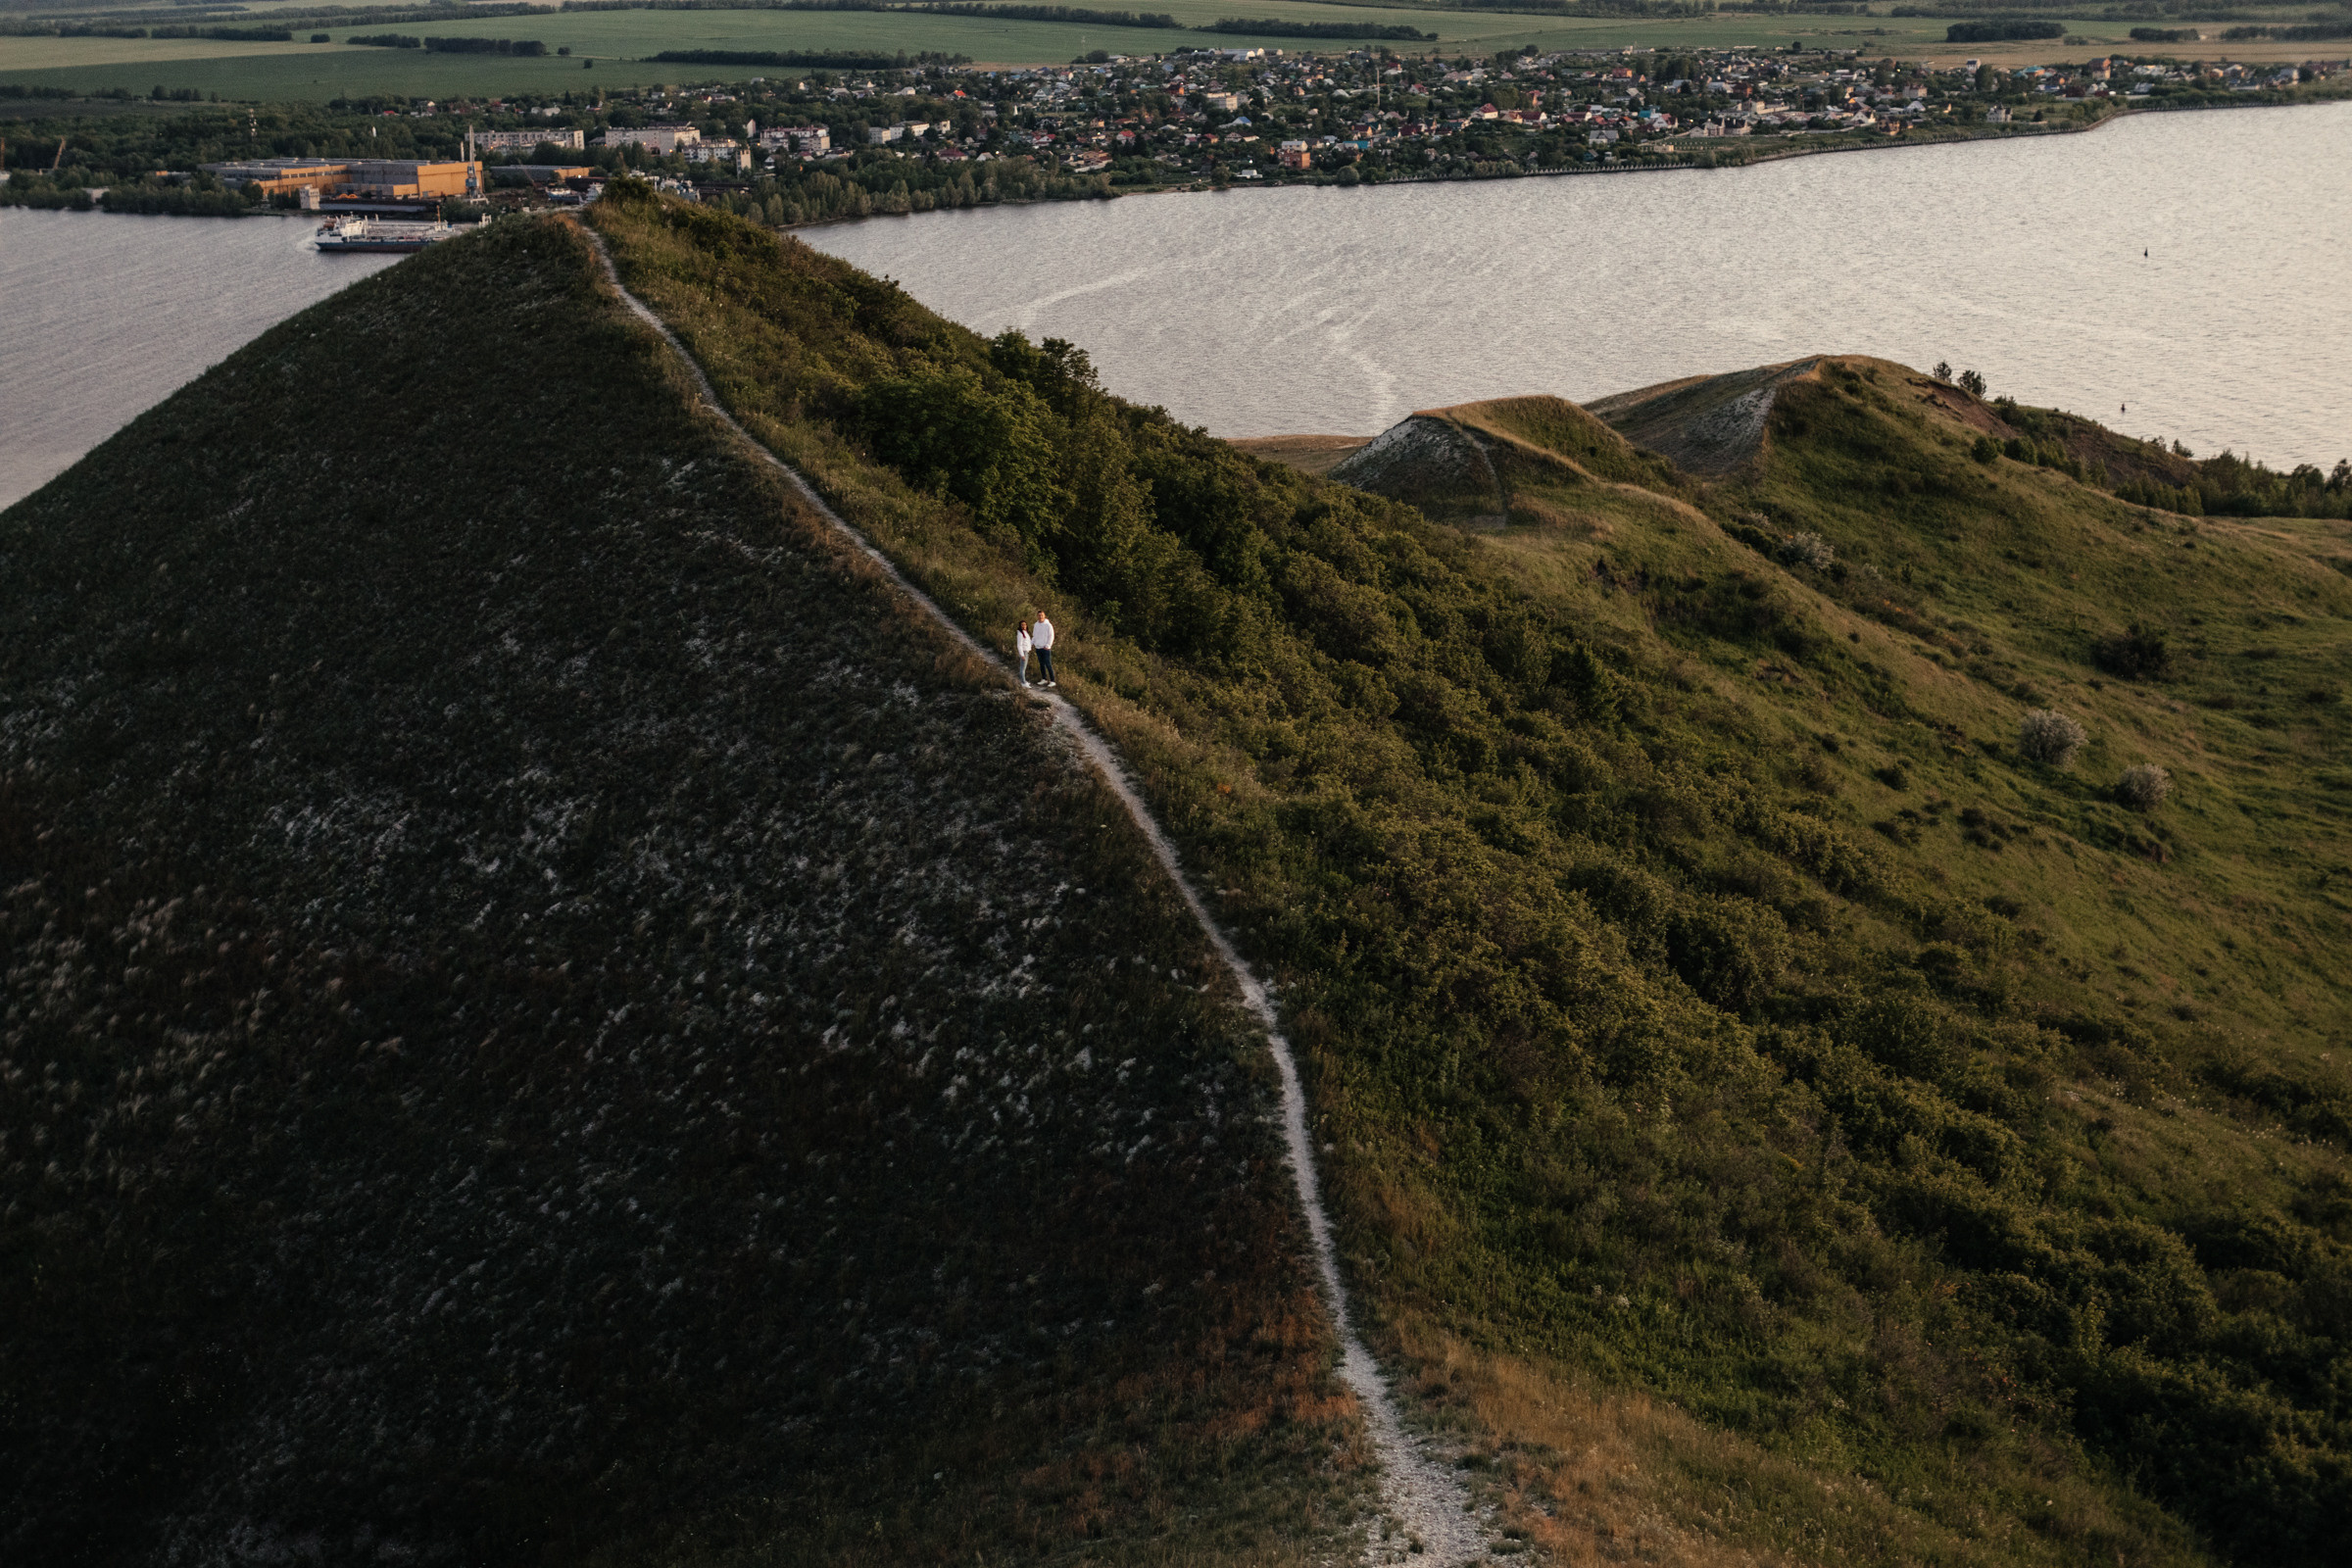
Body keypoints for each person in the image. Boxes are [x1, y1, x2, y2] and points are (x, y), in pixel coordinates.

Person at [1031, 610, 1057, 687]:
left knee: (1048, 664)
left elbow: (1051, 636)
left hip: (1045, 648)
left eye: (1042, 615)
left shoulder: (1048, 625)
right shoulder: (1036, 625)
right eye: (1039, 615)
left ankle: (1052, 681)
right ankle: (1044, 679)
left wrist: (1048, 645)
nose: (1040, 617)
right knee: (1041, 664)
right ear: (1037, 616)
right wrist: (1031, 644)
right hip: (1038, 647)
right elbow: (1034, 636)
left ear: (1044, 616)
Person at [1014, 618, 1033, 687]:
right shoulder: (1020, 634)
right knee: (1022, 668)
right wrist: (1022, 655)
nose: (1024, 626)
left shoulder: (1025, 632)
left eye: (1025, 624)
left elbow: (1028, 642)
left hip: (1027, 652)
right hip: (1024, 652)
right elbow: (1019, 645)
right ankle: (1023, 682)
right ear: (1020, 626)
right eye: (1022, 625)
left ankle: (1024, 681)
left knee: (1024, 668)